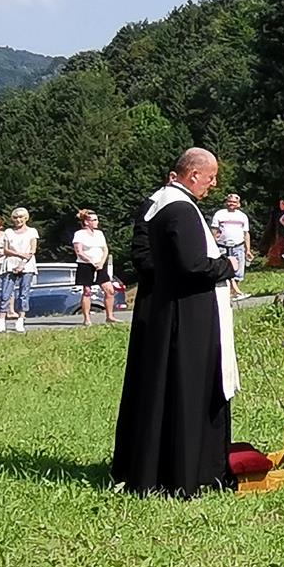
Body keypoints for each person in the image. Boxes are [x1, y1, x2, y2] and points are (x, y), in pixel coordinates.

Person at [112, 148, 241, 497]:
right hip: (187, 310)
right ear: (193, 174)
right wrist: (227, 266)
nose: (214, 184)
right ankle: (187, 469)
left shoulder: (161, 203)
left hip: (167, 304)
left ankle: (156, 466)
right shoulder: (181, 209)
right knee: (186, 388)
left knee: (159, 389)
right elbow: (194, 264)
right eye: (211, 176)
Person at [72, 209, 119, 325]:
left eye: (96, 219)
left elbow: (105, 249)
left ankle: (110, 316)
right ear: (87, 222)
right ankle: (87, 318)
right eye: (94, 220)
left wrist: (102, 262)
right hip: (86, 265)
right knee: (87, 291)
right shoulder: (79, 234)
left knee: (109, 290)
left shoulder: (99, 234)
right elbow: (79, 251)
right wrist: (91, 262)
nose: (96, 222)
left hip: (100, 264)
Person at [0, 208, 38, 333]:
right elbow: (6, 249)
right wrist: (19, 254)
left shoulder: (32, 232)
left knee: (23, 293)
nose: (18, 220)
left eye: (21, 217)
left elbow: (32, 250)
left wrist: (22, 263)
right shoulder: (8, 232)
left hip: (27, 265)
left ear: (26, 218)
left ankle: (20, 320)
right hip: (10, 263)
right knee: (5, 293)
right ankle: (1, 321)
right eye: (16, 217)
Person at [211, 193, 252, 300]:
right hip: (222, 246)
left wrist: (248, 249)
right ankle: (233, 292)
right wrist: (212, 243)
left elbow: (246, 233)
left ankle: (234, 291)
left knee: (238, 269)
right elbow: (214, 230)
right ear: (226, 202)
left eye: (234, 202)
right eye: (230, 201)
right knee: (225, 268)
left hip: (238, 245)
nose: (231, 204)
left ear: (238, 204)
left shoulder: (242, 216)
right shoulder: (219, 214)